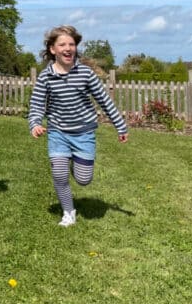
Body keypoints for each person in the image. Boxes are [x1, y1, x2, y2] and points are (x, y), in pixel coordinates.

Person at [27, 25, 128, 227]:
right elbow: (37, 104)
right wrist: (35, 123)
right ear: (52, 49)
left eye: (71, 44)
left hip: (84, 133)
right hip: (58, 132)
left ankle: (75, 161)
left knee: (83, 180)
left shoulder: (85, 74)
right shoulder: (46, 77)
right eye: (62, 44)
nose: (68, 48)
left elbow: (104, 100)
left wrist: (120, 125)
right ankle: (68, 212)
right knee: (59, 173)